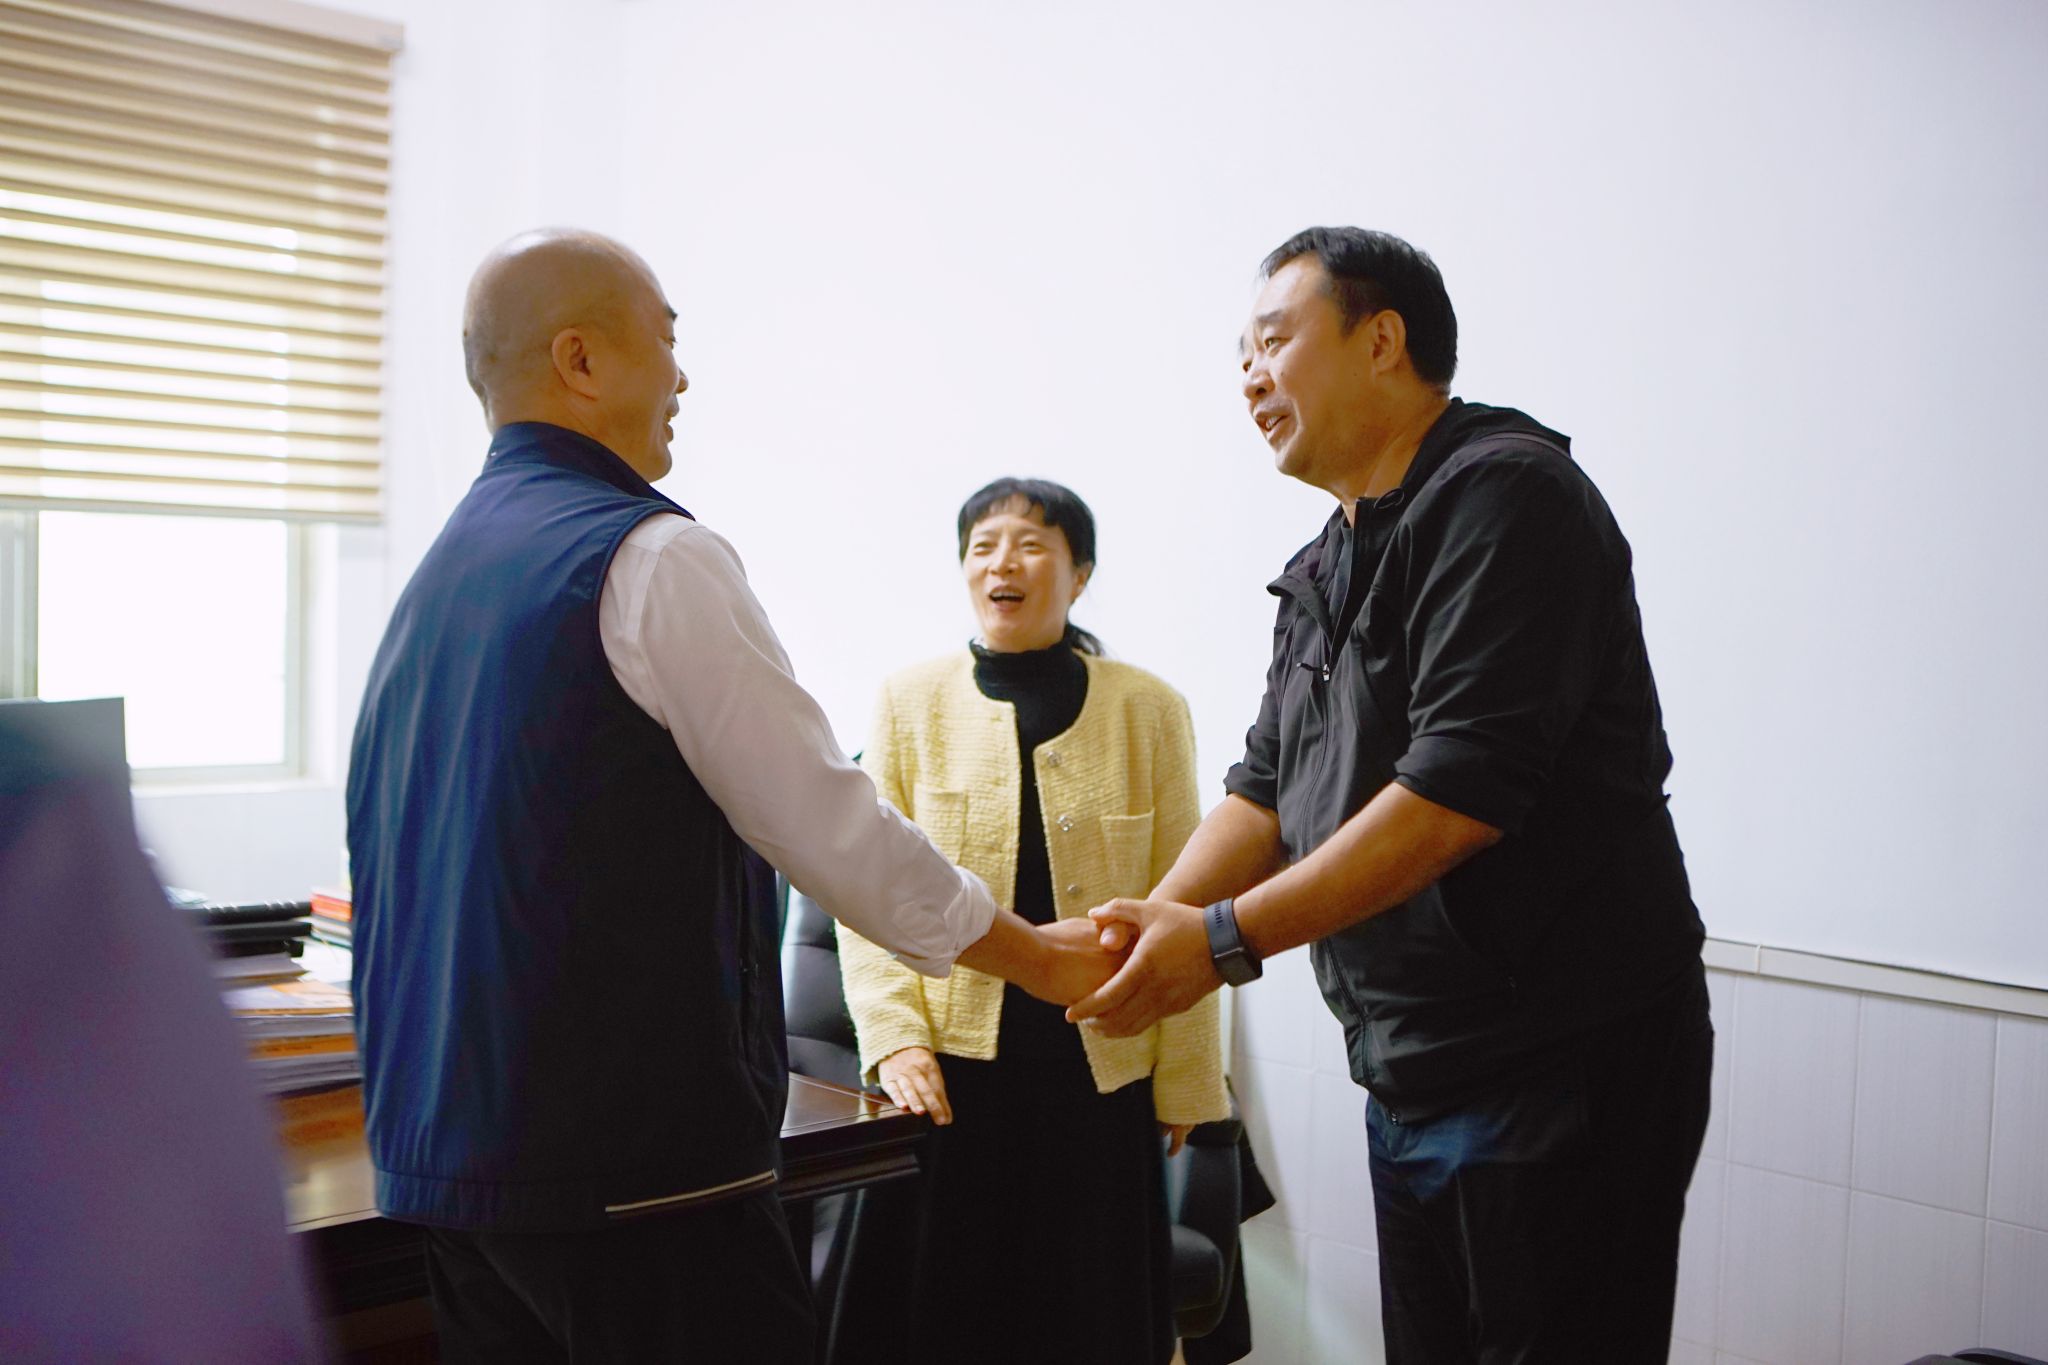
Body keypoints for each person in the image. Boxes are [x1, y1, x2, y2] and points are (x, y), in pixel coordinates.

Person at [345, 229, 1119, 1364]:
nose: (682, 377)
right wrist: (1035, 957)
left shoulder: (441, 573)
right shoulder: (651, 558)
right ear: (579, 360)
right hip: (634, 1175)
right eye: (665, 340)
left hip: (446, 1166)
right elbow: (826, 822)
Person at [1068, 227, 1712, 1363]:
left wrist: (1217, 942)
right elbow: (1264, 792)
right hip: (1413, 1065)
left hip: (1555, 1058)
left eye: (1274, 340)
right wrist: (1148, 924)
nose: (1249, 377)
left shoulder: (1508, 496)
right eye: (1239, 355)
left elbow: (1457, 794)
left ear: (1381, 341)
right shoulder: (1327, 560)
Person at [838, 478, 1228, 1365]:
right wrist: (895, 1038)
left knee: (1089, 1315)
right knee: (945, 1316)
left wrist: (1186, 1080)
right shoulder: (907, 701)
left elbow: (1186, 899)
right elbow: (866, 892)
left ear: (1079, 573)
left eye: (1029, 543)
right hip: (950, 1076)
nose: (1001, 562)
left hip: (1100, 1067)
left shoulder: (1149, 708)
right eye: (982, 545)